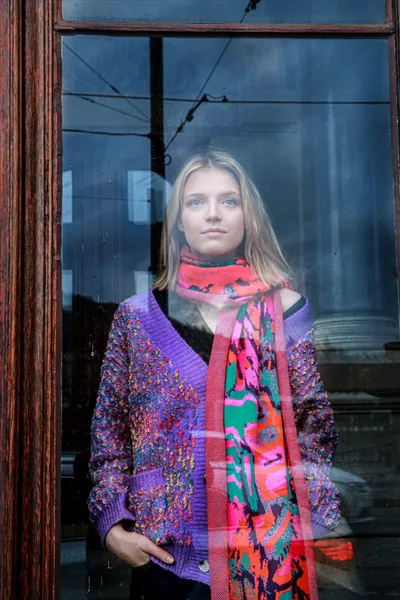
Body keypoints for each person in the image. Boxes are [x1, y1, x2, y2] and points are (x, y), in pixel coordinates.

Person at [88, 149, 340, 600]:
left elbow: (313, 426)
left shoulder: (285, 312)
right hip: (164, 559)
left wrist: (313, 521)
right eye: (196, 201)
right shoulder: (136, 318)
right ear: (178, 221)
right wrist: (112, 527)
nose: (213, 214)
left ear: (248, 217)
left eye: (229, 201)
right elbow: (109, 430)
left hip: (265, 558)